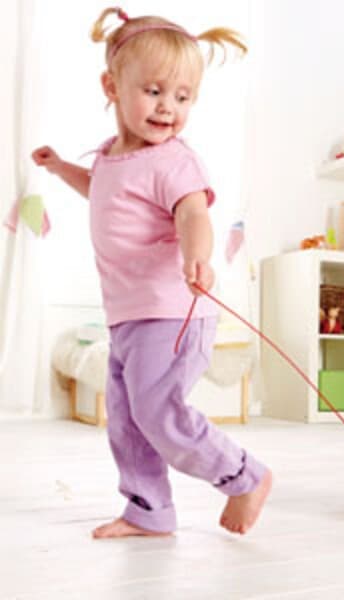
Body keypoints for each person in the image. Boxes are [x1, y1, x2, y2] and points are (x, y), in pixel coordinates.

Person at [31, 7, 271, 538]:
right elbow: (102, 189)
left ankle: (243, 476)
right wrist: (60, 167)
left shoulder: (173, 161)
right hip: (128, 316)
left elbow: (193, 213)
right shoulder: (111, 158)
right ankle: (148, 511)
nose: (169, 108)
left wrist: (197, 256)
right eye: (155, 91)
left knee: (158, 411)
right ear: (111, 87)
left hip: (173, 311)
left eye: (183, 97)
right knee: (127, 420)